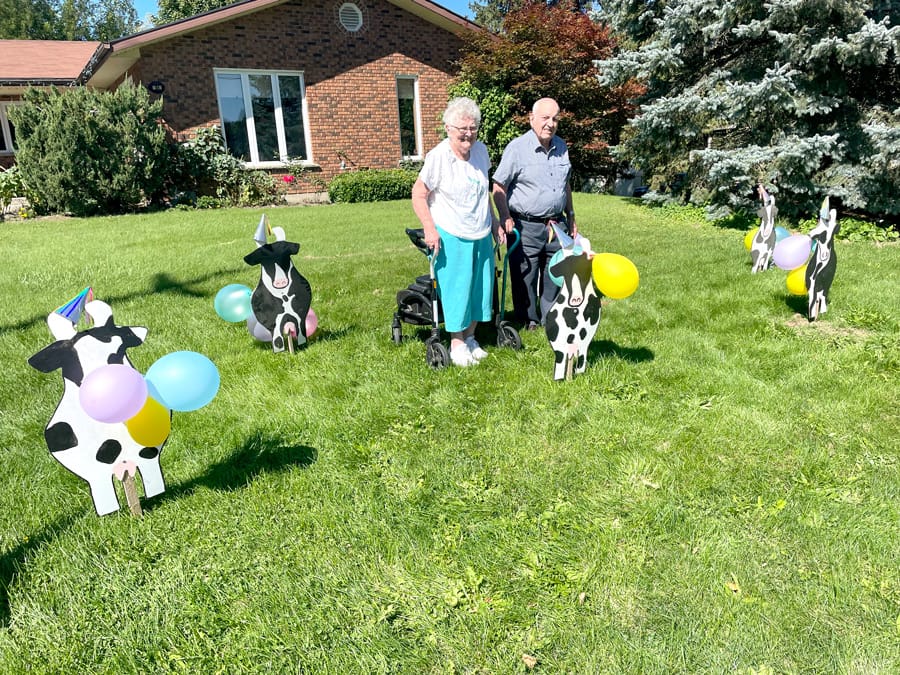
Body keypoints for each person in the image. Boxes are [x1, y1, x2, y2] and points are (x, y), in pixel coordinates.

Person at [411, 97, 504, 367]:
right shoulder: (438, 157)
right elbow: (419, 194)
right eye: (462, 128)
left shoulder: (481, 152)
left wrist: (495, 221)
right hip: (451, 232)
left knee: (481, 288)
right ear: (448, 128)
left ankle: (471, 337)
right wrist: (430, 228)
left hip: (481, 231)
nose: (468, 133)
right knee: (457, 289)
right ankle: (456, 342)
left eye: (473, 127)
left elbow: (481, 192)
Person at [492, 97, 576, 330]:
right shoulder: (517, 148)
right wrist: (504, 216)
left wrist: (571, 215)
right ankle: (528, 319)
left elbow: (565, 184)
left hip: (556, 224)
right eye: (545, 118)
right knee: (525, 276)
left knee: (554, 272)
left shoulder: (561, 146)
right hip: (525, 224)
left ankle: (550, 315)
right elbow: (499, 186)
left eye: (555, 119)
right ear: (531, 119)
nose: (550, 123)